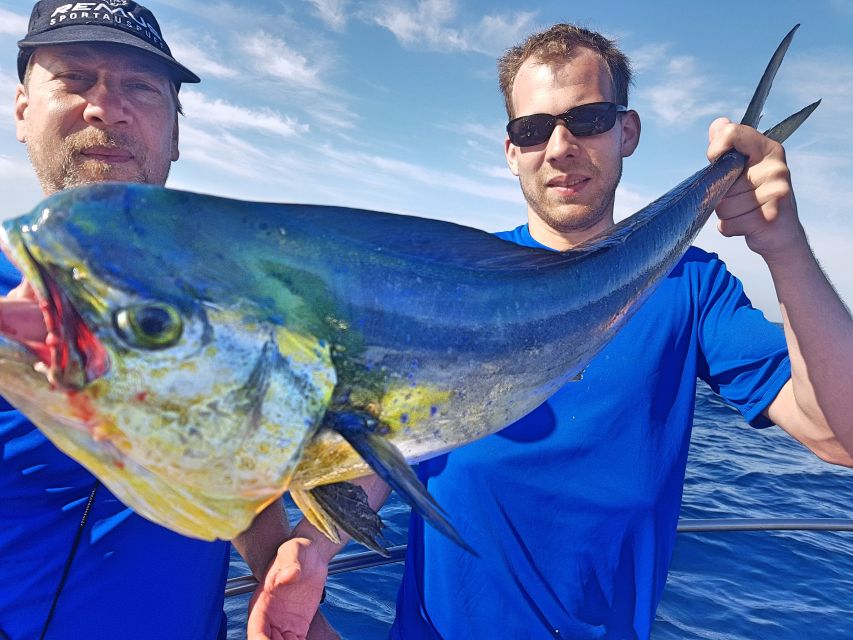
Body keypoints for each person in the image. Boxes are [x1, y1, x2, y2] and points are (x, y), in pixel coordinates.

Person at [265, 23, 853, 639]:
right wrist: (310, 549)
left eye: (589, 119)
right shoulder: (457, 283)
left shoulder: (691, 286)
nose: (561, 145)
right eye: (533, 128)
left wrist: (784, 248)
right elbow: (385, 440)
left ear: (626, 132)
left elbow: (839, 439)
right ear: (512, 149)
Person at [0, 2, 336, 639]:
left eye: (140, 87)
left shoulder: (232, 305)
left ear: (176, 134)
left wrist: (295, 595)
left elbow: (232, 476)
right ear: (22, 108)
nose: (106, 106)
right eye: (74, 78)